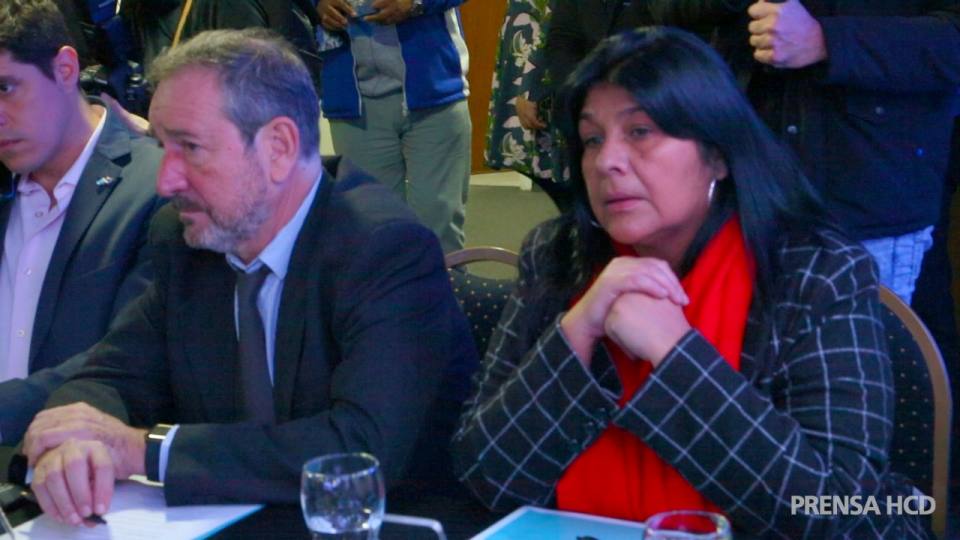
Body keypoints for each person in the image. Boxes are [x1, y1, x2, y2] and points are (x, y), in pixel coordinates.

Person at [452, 28, 927, 538]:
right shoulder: (556, 255)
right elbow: (485, 477)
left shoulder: (817, 271)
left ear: (717, 153)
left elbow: (834, 511)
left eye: (640, 131)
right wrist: (577, 331)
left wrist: (673, 352)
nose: (607, 161)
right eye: (592, 139)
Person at [18, 28, 477, 525]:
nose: (165, 180)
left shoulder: (383, 250)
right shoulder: (186, 239)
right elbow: (112, 375)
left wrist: (144, 450)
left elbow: (359, 449)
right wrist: (73, 440)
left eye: (190, 147)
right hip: (231, 520)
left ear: (278, 147)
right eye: (162, 146)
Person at [648, 0, 960, 304]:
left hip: (865, 195)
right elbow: (659, 12)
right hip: (734, 185)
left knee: (853, 338)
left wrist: (826, 40)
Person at [0, 0, 164, 445]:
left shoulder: (155, 187)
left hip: (88, 466)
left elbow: (128, 358)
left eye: (6, 87)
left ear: (65, 68)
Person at [316, 0, 471, 253]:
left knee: (440, 229)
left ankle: (442, 281)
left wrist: (416, 3)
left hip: (434, 91)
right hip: (352, 100)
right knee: (374, 231)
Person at [484, 0, 569, 210]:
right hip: (525, 56)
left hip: (543, 70)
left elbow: (556, 21)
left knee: (566, 183)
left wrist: (532, 87)